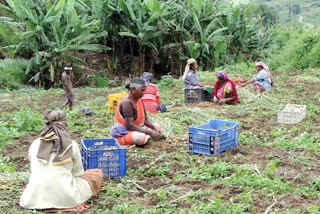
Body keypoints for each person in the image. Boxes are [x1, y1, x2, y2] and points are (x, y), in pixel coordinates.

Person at [20, 110, 103, 212]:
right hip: (68, 197)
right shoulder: (71, 145)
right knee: (95, 174)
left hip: (33, 199)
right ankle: (61, 201)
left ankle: (44, 199)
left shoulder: (35, 144)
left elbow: (34, 167)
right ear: (65, 124)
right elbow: (78, 173)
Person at [110, 78, 163, 146]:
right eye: (142, 90)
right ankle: (119, 140)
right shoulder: (127, 103)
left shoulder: (139, 100)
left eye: (144, 90)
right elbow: (130, 125)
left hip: (138, 127)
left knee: (158, 127)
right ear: (134, 90)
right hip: (125, 132)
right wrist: (149, 131)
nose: (144, 93)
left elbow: (145, 118)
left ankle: (146, 137)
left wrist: (153, 128)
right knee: (140, 137)